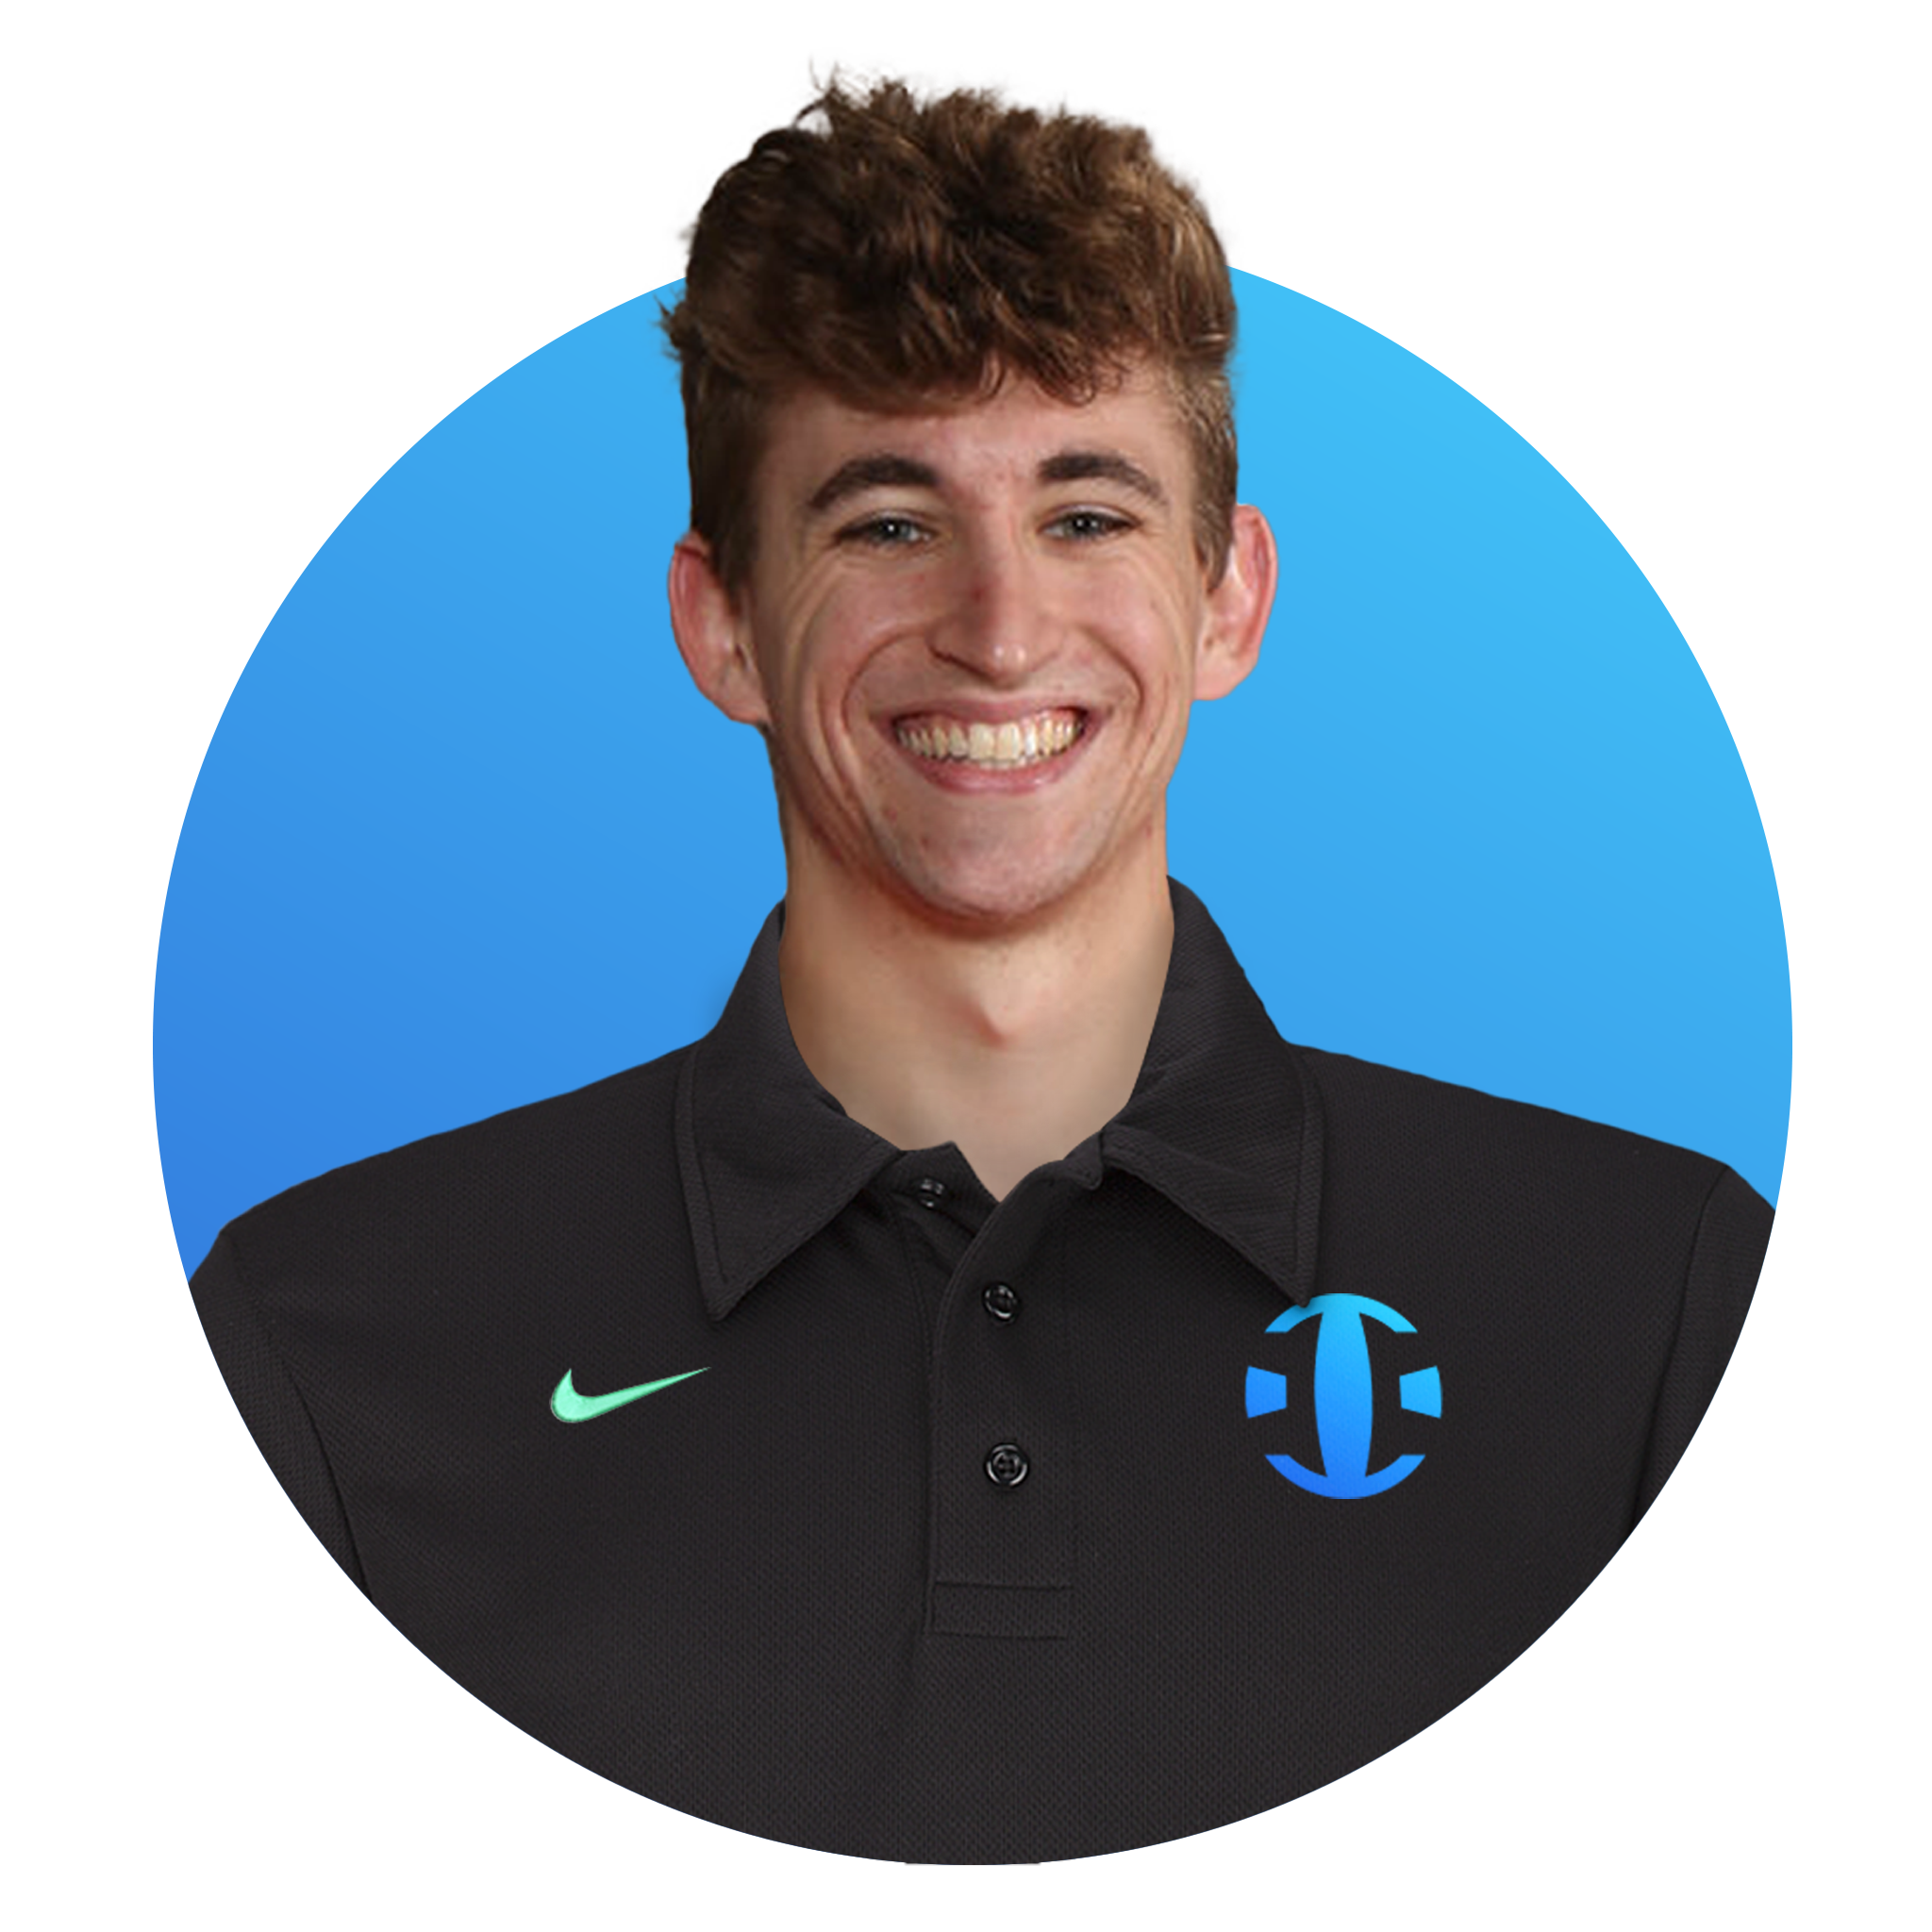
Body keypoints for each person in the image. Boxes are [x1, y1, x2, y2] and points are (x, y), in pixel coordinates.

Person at [186, 55, 1776, 1865]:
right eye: (889, 523)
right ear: (722, 622)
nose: (1001, 632)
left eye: (1086, 515)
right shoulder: (327, 1348)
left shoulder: (1655, 1307)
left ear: (1230, 598)